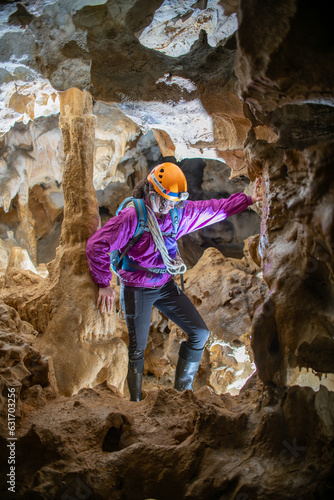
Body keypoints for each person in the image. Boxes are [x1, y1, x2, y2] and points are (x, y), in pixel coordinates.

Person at [86, 162, 262, 401]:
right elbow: (97, 245)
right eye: (166, 200)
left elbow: (213, 208)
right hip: (137, 287)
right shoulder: (132, 217)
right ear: (151, 192)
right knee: (138, 349)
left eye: (175, 201)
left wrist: (249, 199)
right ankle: (135, 402)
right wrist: (104, 282)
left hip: (165, 285)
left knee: (199, 333)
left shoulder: (177, 213)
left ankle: (182, 395)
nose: (170, 206)